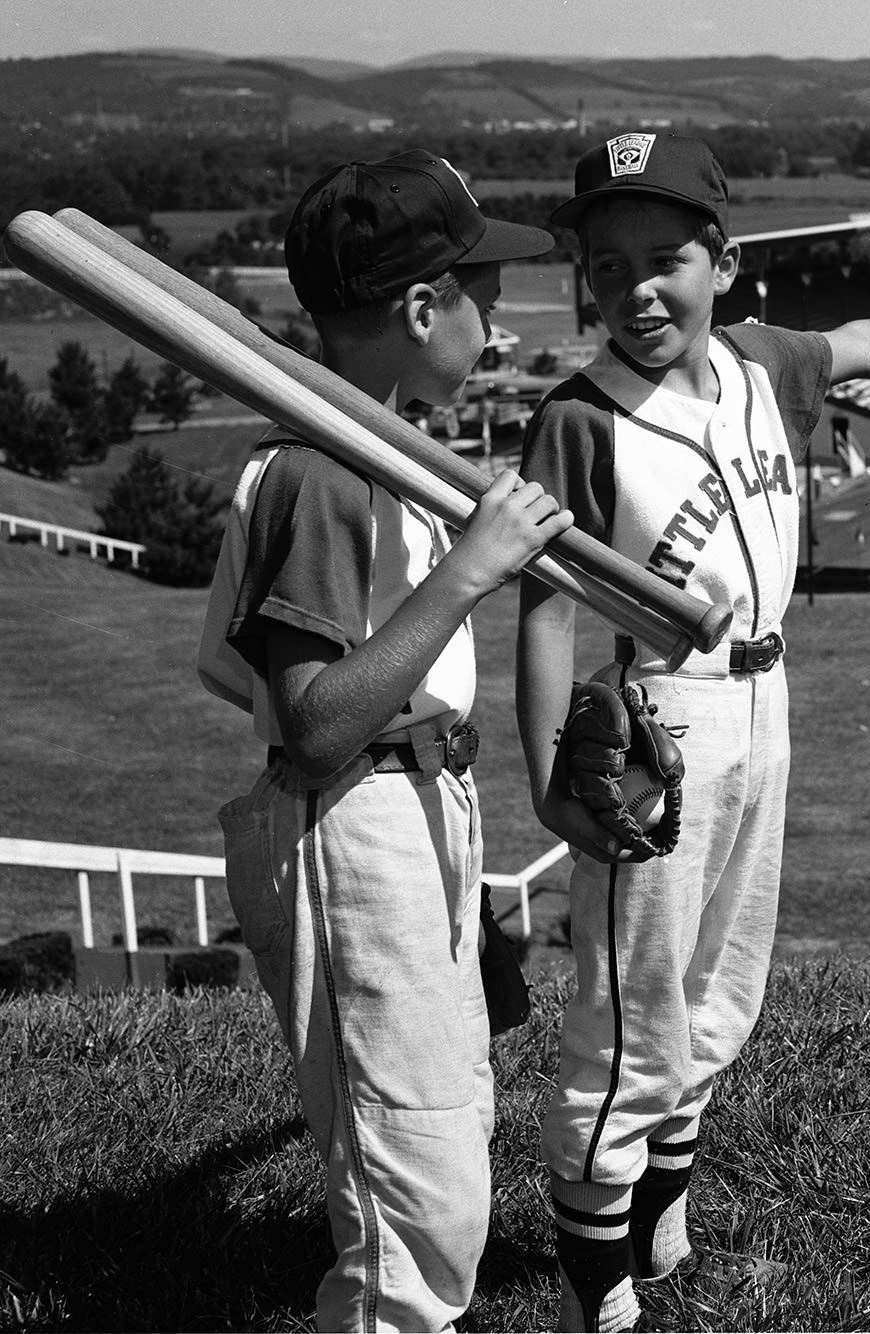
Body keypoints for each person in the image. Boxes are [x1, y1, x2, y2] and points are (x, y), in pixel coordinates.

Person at [516, 132, 870, 1332]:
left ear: (722, 262)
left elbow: (861, 347)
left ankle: (661, 1223)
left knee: (723, 984)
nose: (635, 288)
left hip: (763, 696)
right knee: (631, 1005)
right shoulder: (579, 419)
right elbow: (540, 607)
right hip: (659, 715)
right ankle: (600, 1290)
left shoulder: (760, 361)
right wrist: (545, 787)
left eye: (665, 257)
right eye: (604, 261)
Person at [196, 149, 572, 1332]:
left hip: (407, 807)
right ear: (421, 309)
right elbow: (311, 724)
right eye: (482, 285)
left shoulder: (381, 448)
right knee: (415, 1189)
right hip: (349, 821)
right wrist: (470, 573)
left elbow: (231, 666)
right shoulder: (324, 472)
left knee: (445, 1123)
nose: (500, 307)